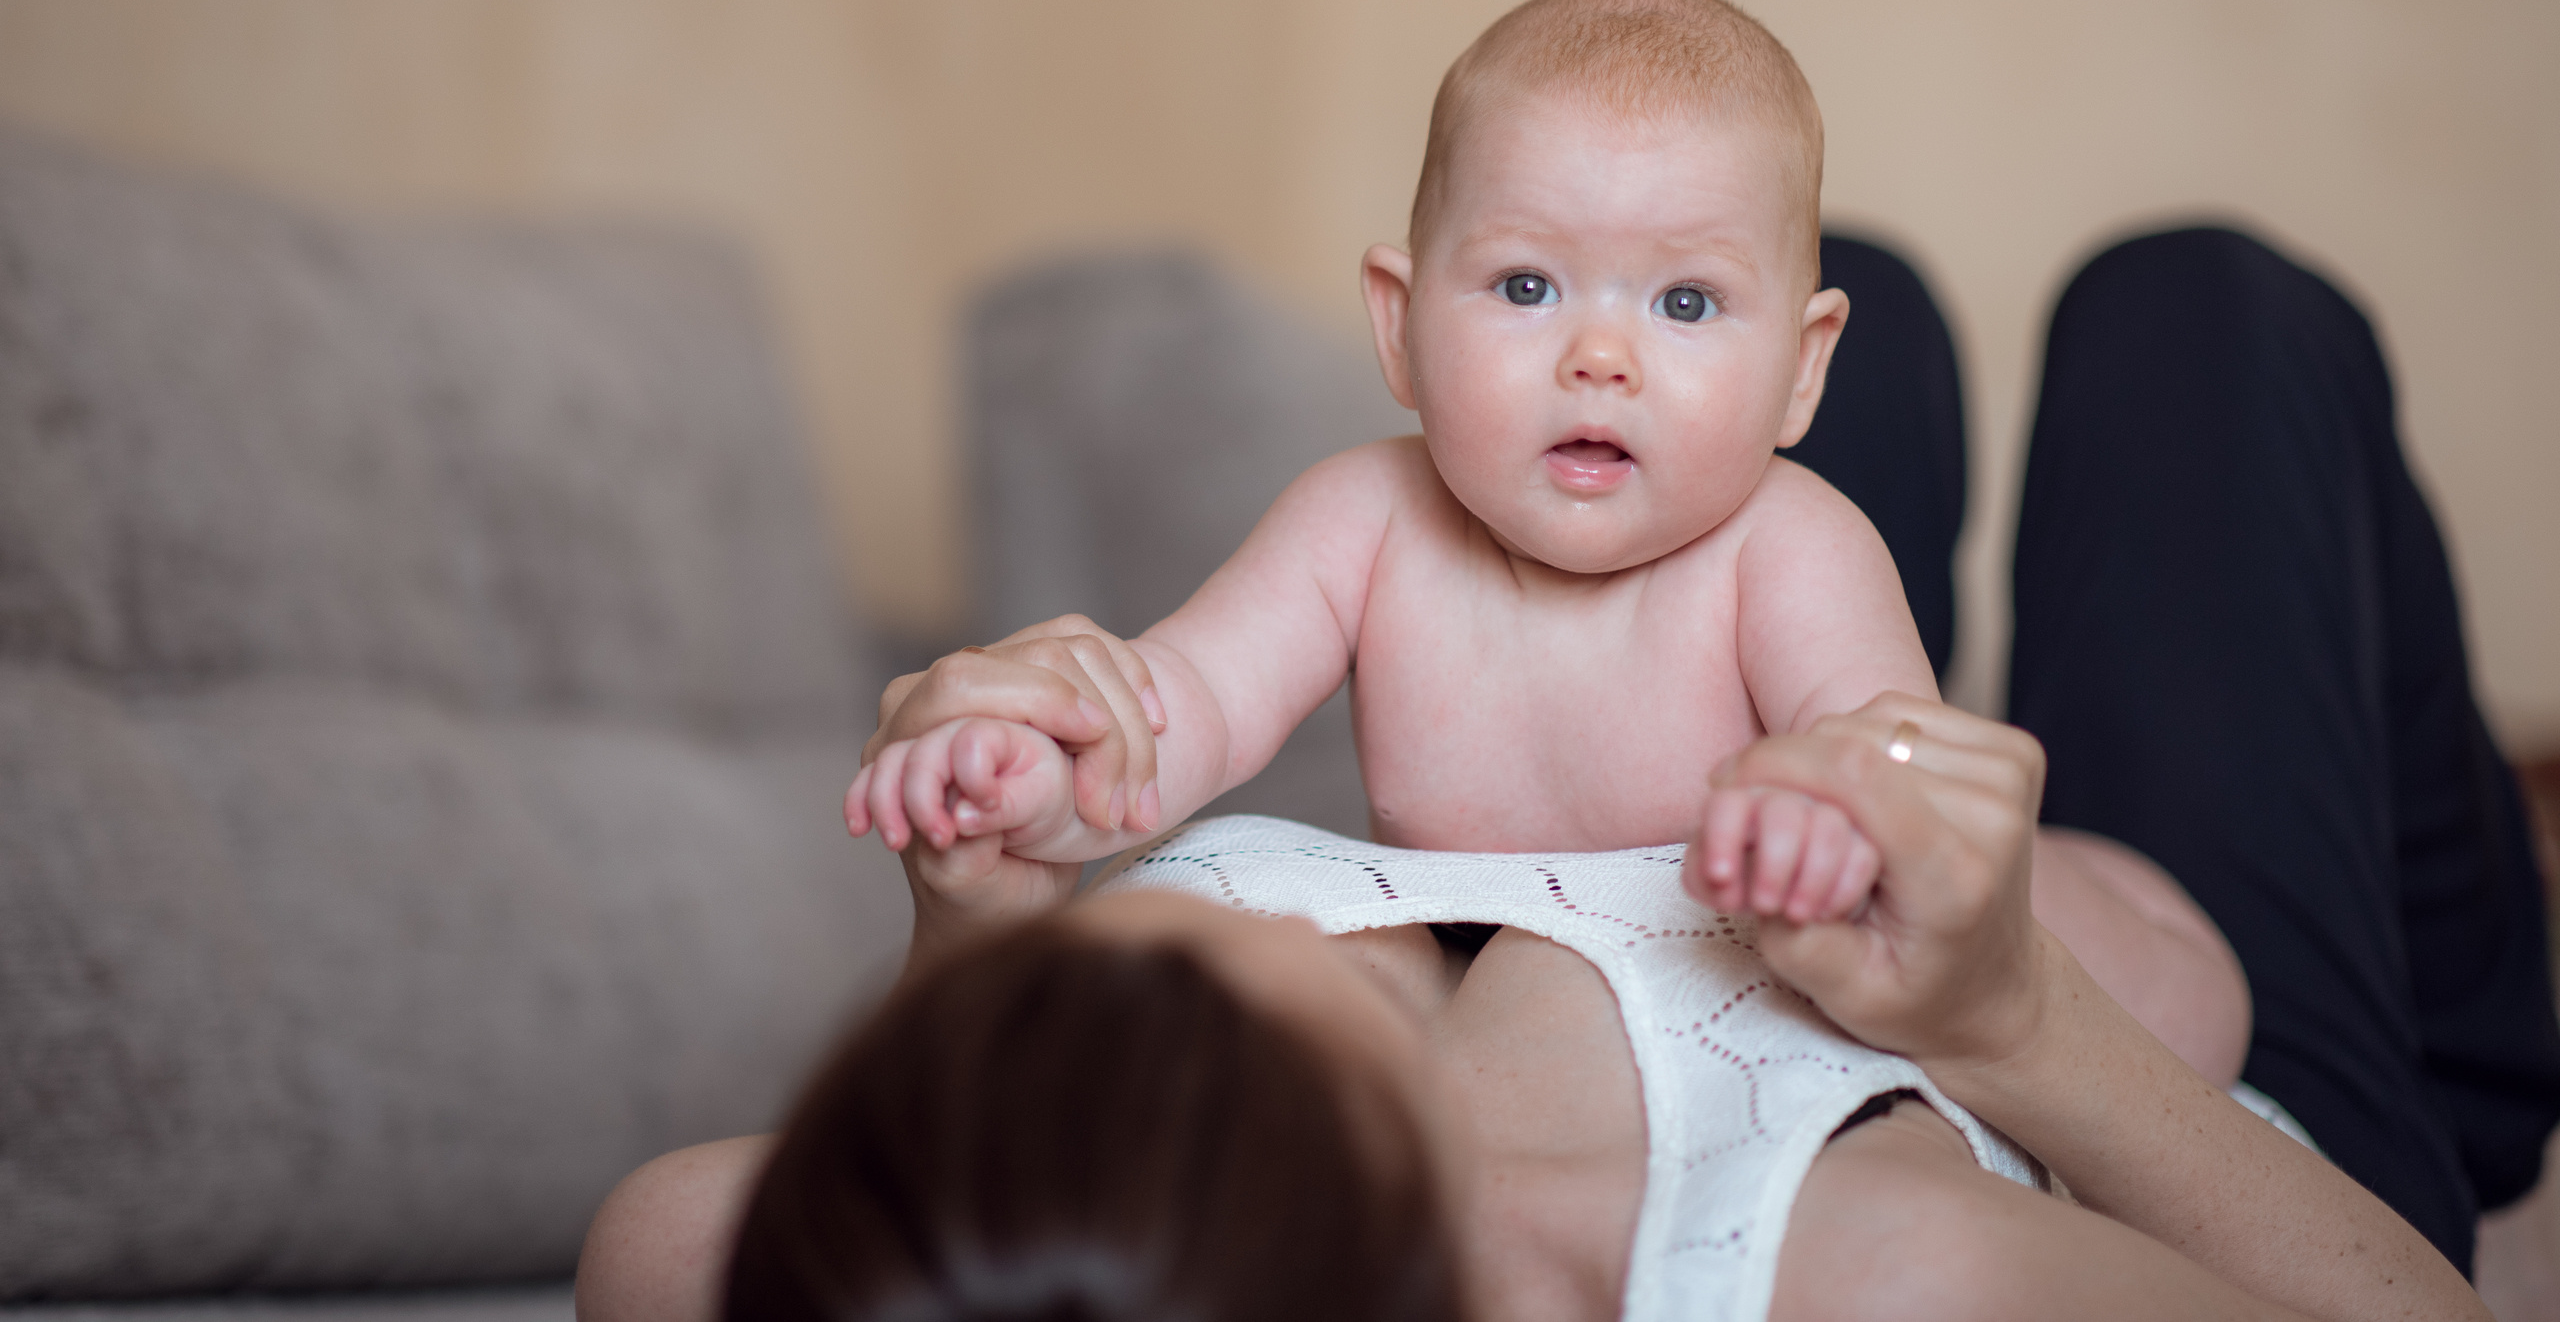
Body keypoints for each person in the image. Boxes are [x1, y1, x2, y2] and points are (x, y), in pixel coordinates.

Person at [576, 227, 2558, 1320]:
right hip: (2194, 1095)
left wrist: (961, 925)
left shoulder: (913, 1231)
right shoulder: (1843, 1273)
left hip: (1835, 851)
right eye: (1133, 984)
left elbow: (734, 1227)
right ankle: (2472, 1058)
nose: (1124, 950)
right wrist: (2013, 1013)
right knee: (2200, 320)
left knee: (1783, 291)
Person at [848, 0, 2252, 1088]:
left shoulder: (1791, 547)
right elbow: (1186, 702)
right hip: (1539, 1013)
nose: (1599, 355)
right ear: (1399, 324)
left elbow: (1888, 764)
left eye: (1684, 303)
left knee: (2193, 1019)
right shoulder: (1364, 517)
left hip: (2082, 920)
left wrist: (1834, 826)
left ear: (1807, 367)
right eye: (1525, 284)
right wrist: (1041, 761)